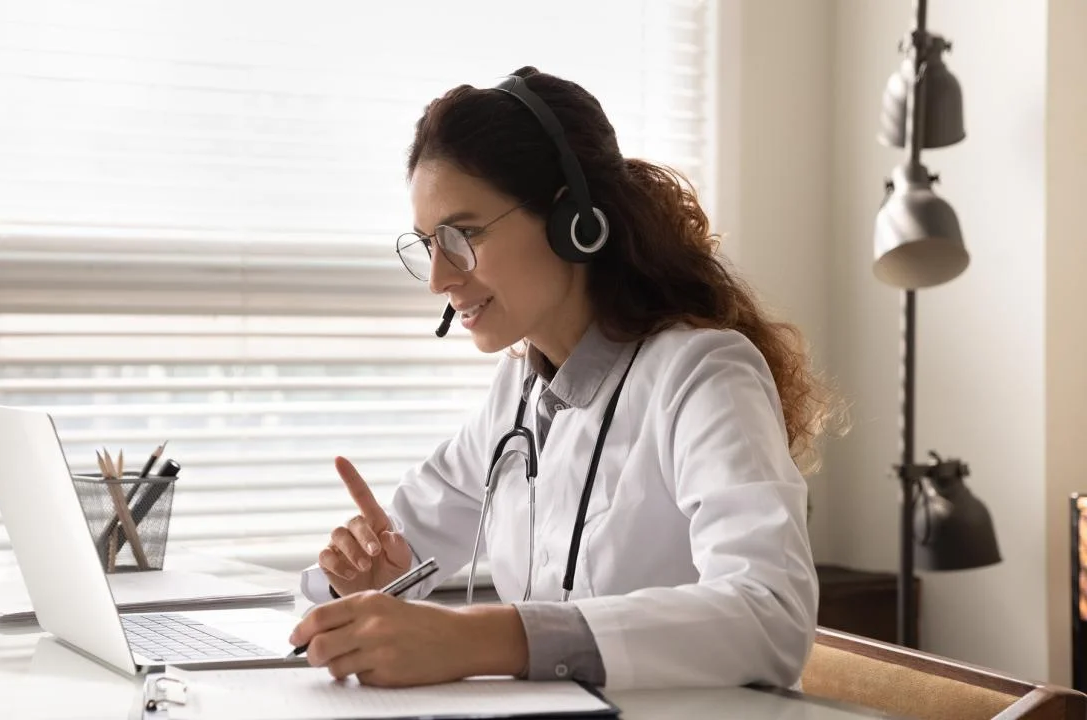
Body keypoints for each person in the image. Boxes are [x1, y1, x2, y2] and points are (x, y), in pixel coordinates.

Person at [288, 66, 842, 691]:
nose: (440, 278)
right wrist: (363, 579)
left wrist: (480, 637)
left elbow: (771, 615)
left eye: (462, 234)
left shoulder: (701, 374)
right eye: (426, 244)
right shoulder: (517, 396)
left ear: (571, 220)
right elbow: (398, 545)